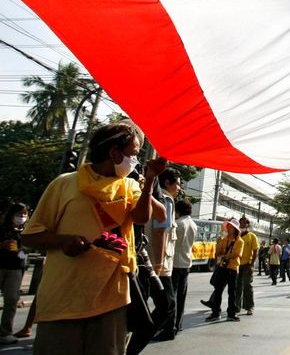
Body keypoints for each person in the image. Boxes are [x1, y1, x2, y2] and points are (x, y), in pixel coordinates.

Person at [22, 122, 167, 355]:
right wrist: (62, 241)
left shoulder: (130, 186)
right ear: (114, 152)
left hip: (113, 299)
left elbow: (142, 217)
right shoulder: (64, 184)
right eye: (134, 153)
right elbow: (31, 235)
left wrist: (150, 180)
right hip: (63, 300)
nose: (135, 160)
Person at [146, 167, 181, 340]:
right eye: (178, 184)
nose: (179, 188)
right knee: (168, 304)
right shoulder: (165, 200)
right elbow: (159, 231)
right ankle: (141, 335)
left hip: (152, 261)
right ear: (167, 183)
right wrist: (159, 265)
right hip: (159, 263)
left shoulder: (154, 197)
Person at [204, 218, 244, 322]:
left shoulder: (239, 241)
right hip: (222, 267)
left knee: (232, 292)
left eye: (232, 227)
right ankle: (215, 313)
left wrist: (226, 256)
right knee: (218, 291)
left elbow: (237, 254)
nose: (229, 228)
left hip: (233, 268)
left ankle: (231, 313)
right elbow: (217, 253)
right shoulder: (224, 239)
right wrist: (218, 246)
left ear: (235, 229)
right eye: (229, 226)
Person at [0, 203, 29, 345]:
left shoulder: (25, 231)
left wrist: (22, 251)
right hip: (1, 266)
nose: (22, 217)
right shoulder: (2, 229)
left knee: (11, 300)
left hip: (15, 268)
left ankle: (5, 333)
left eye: (24, 214)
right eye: (19, 214)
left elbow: (26, 252)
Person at [171, 199, 196, 335]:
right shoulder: (193, 224)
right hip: (187, 263)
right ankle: (178, 324)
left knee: (172, 295)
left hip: (175, 262)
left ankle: (171, 324)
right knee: (181, 295)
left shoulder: (178, 224)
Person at [235, 216, 259, 316]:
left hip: (247, 265)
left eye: (244, 222)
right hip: (236, 264)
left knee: (247, 286)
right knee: (237, 287)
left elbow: (255, 251)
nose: (242, 224)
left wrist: (252, 264)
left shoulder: (252, 236)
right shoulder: (237, 235)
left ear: (248, 224)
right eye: (240, 222)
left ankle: (249, 307)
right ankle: (236, 306)